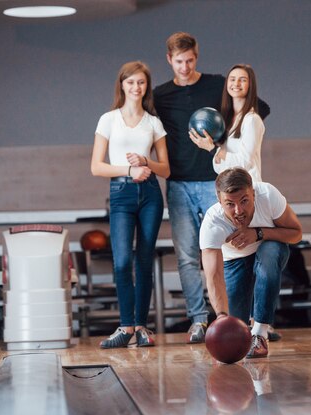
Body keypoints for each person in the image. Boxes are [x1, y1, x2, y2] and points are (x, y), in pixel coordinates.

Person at [153, 32, 270, 344]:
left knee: (233, 250)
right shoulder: (160, 95)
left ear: (197, 56)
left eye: (190, 60)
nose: (185, 66)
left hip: (215, 183)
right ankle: (198, 320)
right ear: (169, 60)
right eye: (179, 61)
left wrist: (219, 144)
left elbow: (257, 110)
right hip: (177, 184)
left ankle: (242, 321)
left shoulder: (218, 84)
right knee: (188, 256)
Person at [91, 61, 170, 349]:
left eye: (141, 83)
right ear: (122, 85)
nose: (136, 87)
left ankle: (141, 326)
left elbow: (166, 170)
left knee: (144, 260)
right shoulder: (108, 119)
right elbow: (97, 167)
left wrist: (146, 162)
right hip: (121, 194)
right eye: (131, 82)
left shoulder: (153, 122)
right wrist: (128, 170)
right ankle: (125, 327)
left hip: (150, 194)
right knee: (123, 261)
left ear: (146, 87)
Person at [199, 168, 302, 358]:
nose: (238, 211)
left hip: (269, 248)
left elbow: (296, 233)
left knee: (269, 253)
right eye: (230, 204)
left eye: (244, 201)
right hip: (235, 262)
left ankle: (260, 333)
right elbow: (214, 276)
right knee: (235, 330)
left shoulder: (268, 195)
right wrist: (221, 317)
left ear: (253, 193)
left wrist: (258, 233)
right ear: (219, 200)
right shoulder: (213, 223)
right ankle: (245, 331)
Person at [189, 63, 264, 182]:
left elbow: (244, 163)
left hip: (248, 189)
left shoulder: (252, 120)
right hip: (229, 187)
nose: (236, 84)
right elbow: (220, 166)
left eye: (242, 80)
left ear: (250, 85)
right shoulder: (226, 120)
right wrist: (215, 151)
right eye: (232, 79)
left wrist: (212, 149)